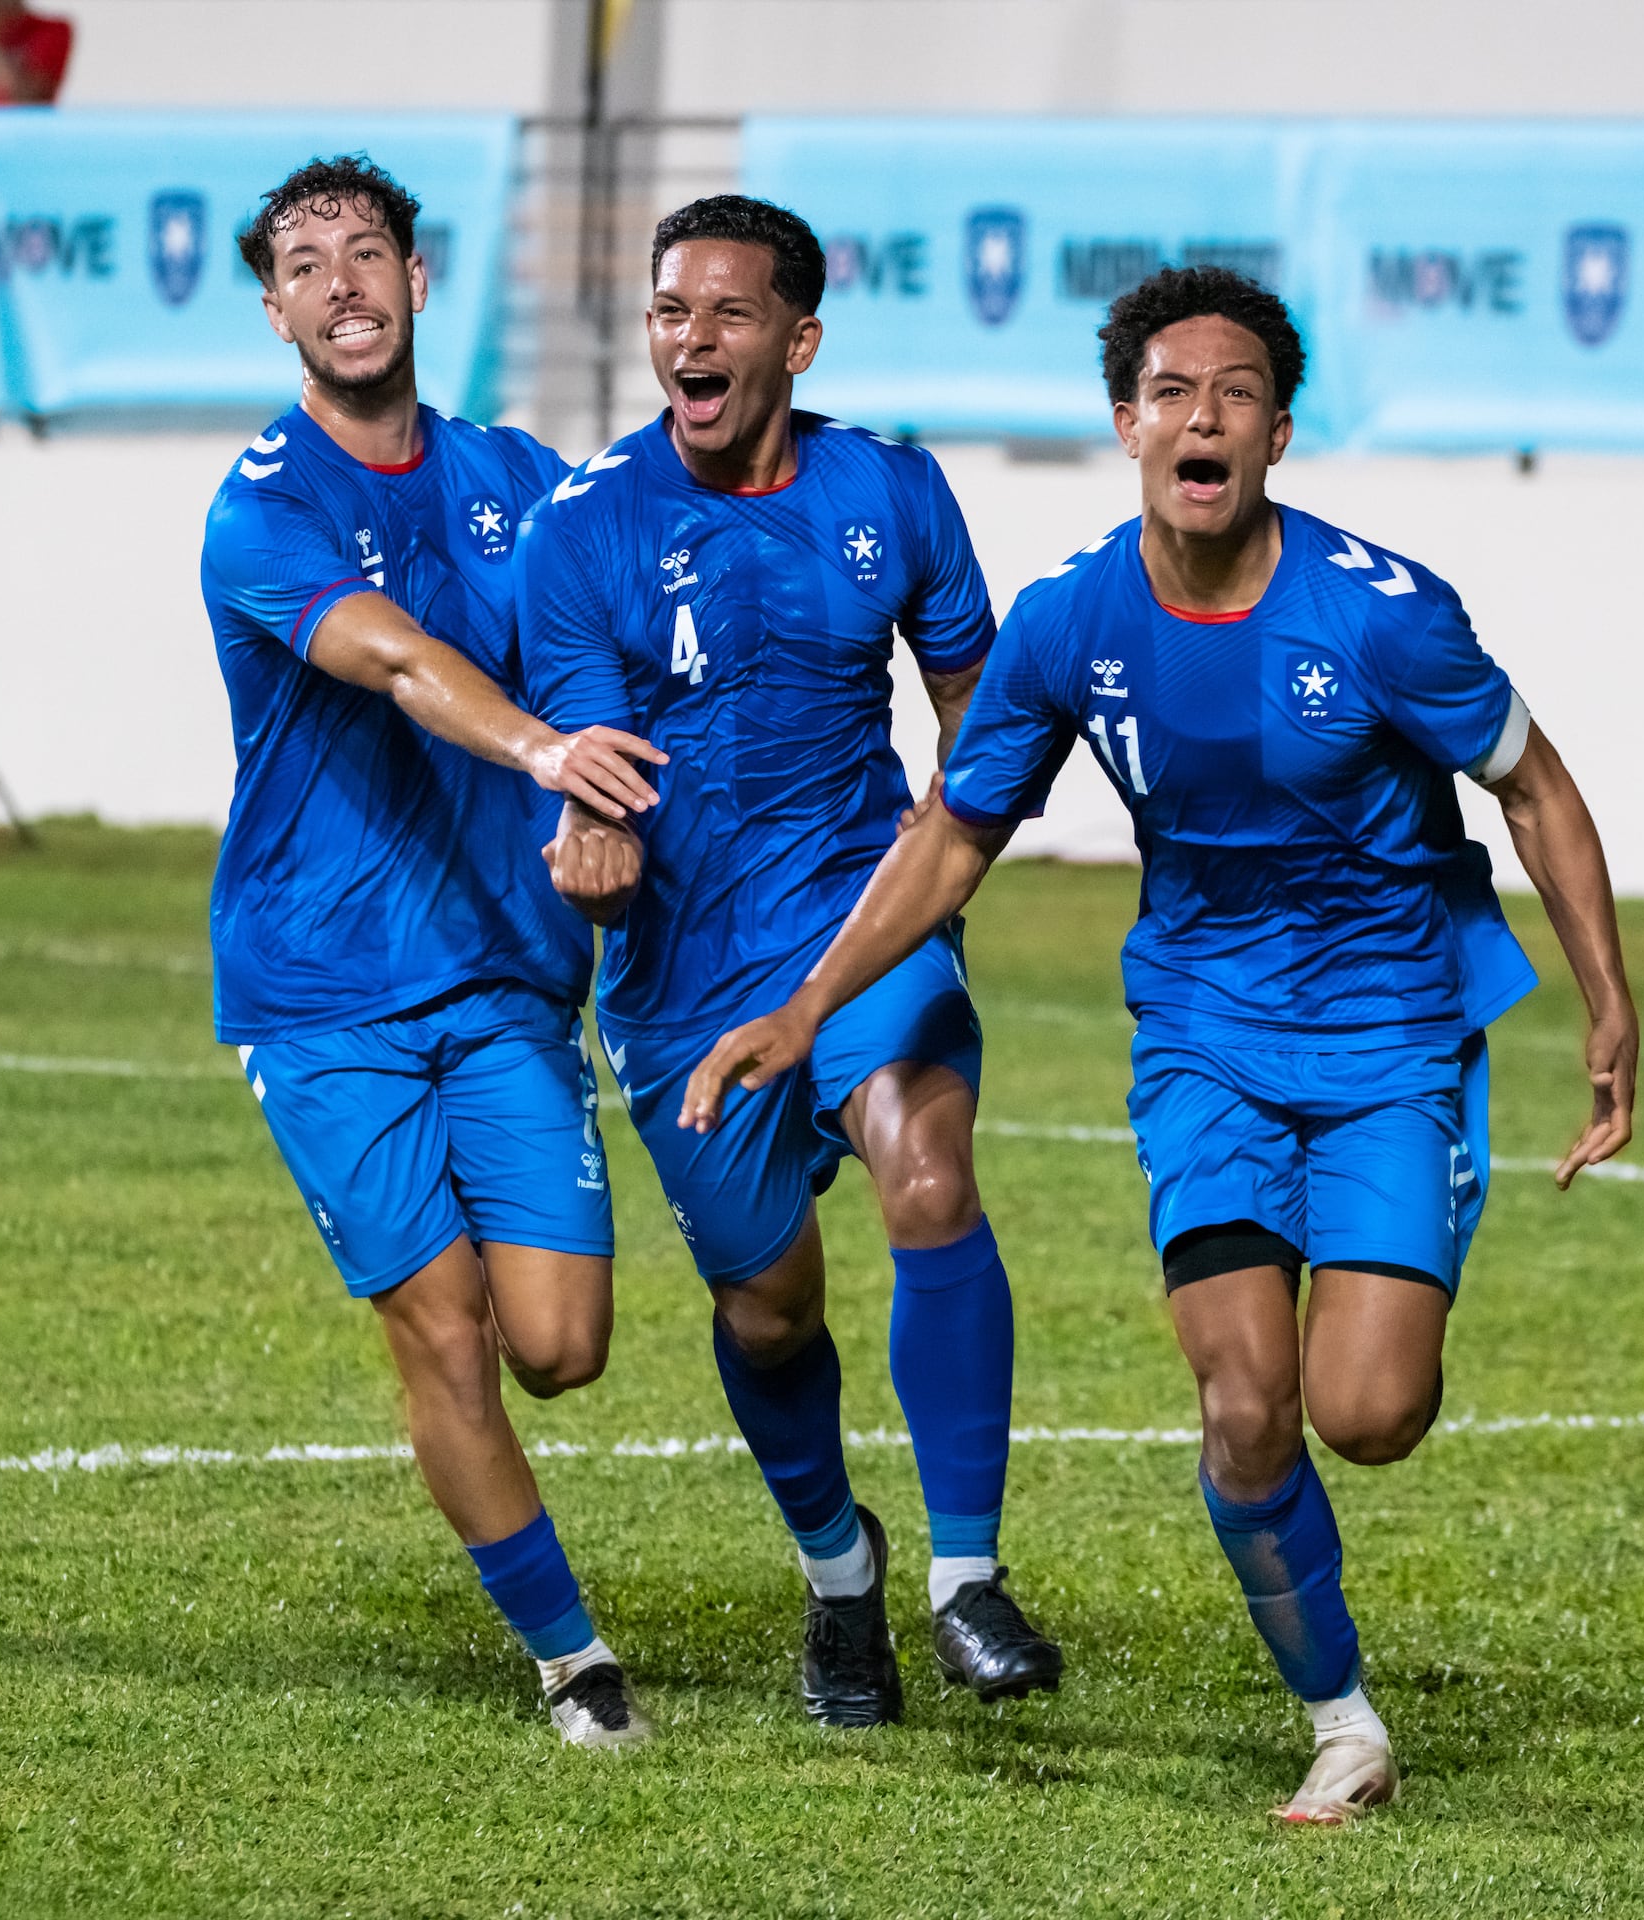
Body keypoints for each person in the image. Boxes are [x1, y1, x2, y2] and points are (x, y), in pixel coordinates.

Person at [679, 266, 1639, 1819]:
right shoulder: (1070, 622)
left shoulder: (1383, 614)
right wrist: (803, 1009)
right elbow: (950, 836)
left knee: (1369, 1414)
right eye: (1174, 392)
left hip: (1394, 1032)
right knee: (1244, 1407)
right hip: (1201, 1033)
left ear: (1275, 431)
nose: (1206, 416)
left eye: (1239, 392)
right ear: (1127, 423)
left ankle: (1379, 1341)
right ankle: (1344, 1722)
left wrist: (1608, 1002)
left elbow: (1537, 789)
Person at [513, 195, 1063, 1728]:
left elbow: (982, 712)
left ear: (797, 339)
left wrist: (948, 872)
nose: (690, 339)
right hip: (688, 984)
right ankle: (842, 1578)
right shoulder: (583, 527)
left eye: (727, 313)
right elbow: (584, 753)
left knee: (930, 1170)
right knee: (771, 1308)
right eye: (668, 311)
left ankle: (966, 1576)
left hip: (865, 921)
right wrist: (594, 840)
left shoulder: (891, 490)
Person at [202, 155, 666, 1750]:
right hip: (322, 991)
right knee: (442, 1328)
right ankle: (572, 1663)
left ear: (417, 277)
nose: (342, 283)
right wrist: (549, 758)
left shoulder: (523, 478)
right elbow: (393, 659)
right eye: (306, 264)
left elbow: (610, 634)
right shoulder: (262, 508)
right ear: (274, 310)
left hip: (505, 972)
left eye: (367, 253)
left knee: (561, 1343)